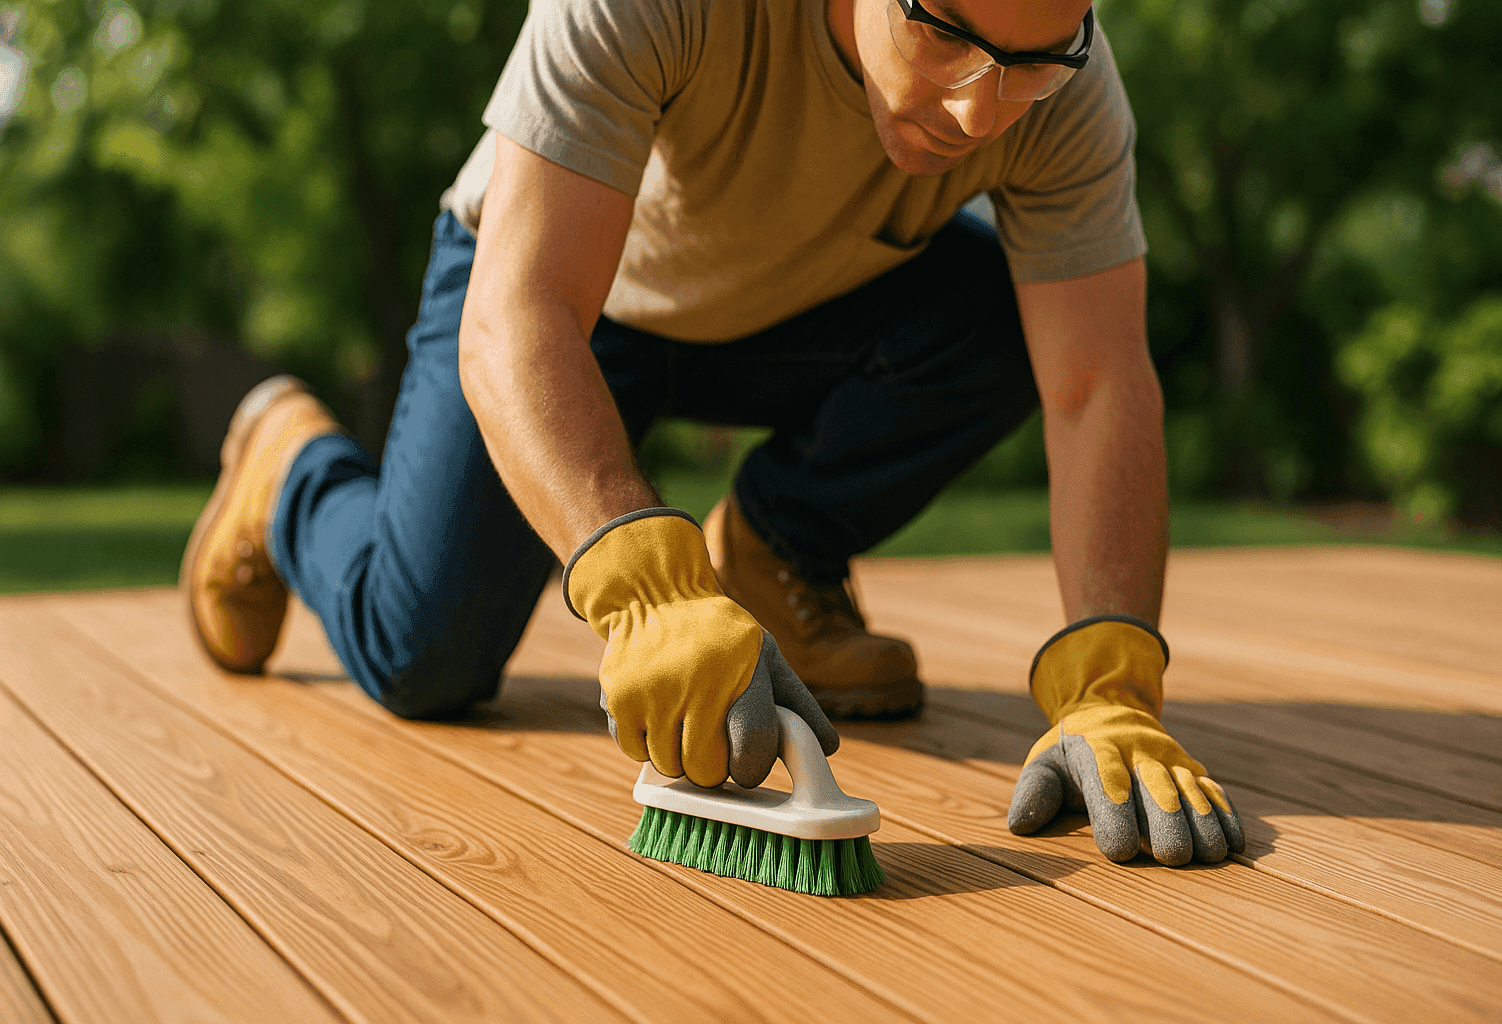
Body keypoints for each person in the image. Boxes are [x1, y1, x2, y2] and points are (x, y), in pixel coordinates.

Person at [182, 0, 1245, 866]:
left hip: (805, 300)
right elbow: (518, 319)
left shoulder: (1067, 84)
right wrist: (650, 590)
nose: (982, 108)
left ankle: (777, 549)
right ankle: (289, 464)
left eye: (1032, 62)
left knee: (1021, 319)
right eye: (943, 32)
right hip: (565, 296)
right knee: (423, 658)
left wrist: (1111, 683)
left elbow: (1098, 383)